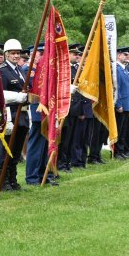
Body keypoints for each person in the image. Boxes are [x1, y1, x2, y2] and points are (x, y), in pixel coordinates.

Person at [0, 39, 29, 191]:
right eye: (13, 53)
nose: (16, 56)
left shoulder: (20, 70)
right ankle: (3, 180)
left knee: (16, 150)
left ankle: (12, 178)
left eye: (18, 53)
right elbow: (0, 94)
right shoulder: (2, 70)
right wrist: (17, 96)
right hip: (9, 114)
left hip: (22, 114)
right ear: (7, 54)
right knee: (7, 148)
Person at [25, 43, 58, 186]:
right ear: (33, 54)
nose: (44, 56)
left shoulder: (44, 69)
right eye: (40, 53)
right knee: (36, 145)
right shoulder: (29, 69)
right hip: (37, 111)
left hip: (47, 111)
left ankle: (42, 175)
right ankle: (32, 176)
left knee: (45, 145)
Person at [56, 44, 82, 173]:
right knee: (63, 138)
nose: (77, 56)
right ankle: (61, 163)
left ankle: (66, 162)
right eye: (74, 54)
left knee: (70, 138)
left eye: (78, 54)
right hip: (64, 107)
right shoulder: (63, 69)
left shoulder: (74, 69)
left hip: (73, 108)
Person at [113, 46, 129, 160]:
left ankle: (121, 150)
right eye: (125, 55)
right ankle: (116, 151)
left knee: (124, 129)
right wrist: (118, 103)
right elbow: (117, 88)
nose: (127, 56)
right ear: (119, 55)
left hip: (126, 103)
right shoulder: (117, 69)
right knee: (119, 129)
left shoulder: (124, 69)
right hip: (121, 103)